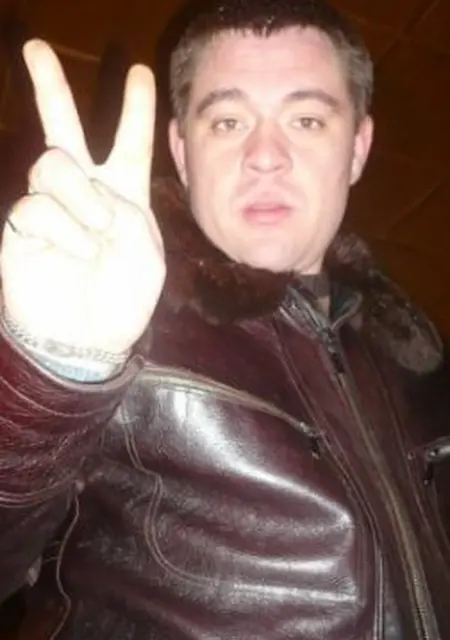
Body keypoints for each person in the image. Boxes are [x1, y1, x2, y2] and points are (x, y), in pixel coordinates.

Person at [0, 0, 449, 637]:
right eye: (228, 121)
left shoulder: (422, 370)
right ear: (181, 151)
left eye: (307, 119)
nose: (265, 155)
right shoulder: (105, 316)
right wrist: (51, 372)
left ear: (358, 147)